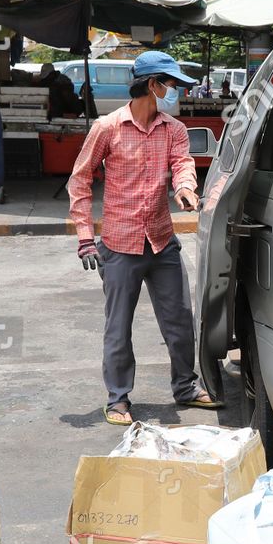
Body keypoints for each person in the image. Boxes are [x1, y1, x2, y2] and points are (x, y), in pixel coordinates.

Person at [68, 50, 221, 425]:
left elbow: (182, 165)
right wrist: (85, 236)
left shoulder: (175, 130)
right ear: (152, 85)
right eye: (171, 85)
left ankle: (185, 386)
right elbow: (80, 180)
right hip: (119, 246)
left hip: (162, 242)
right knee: (118, 327)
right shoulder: (107, 128)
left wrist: (186, 189)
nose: (176, 92)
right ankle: (118, 399)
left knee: (181, 320)